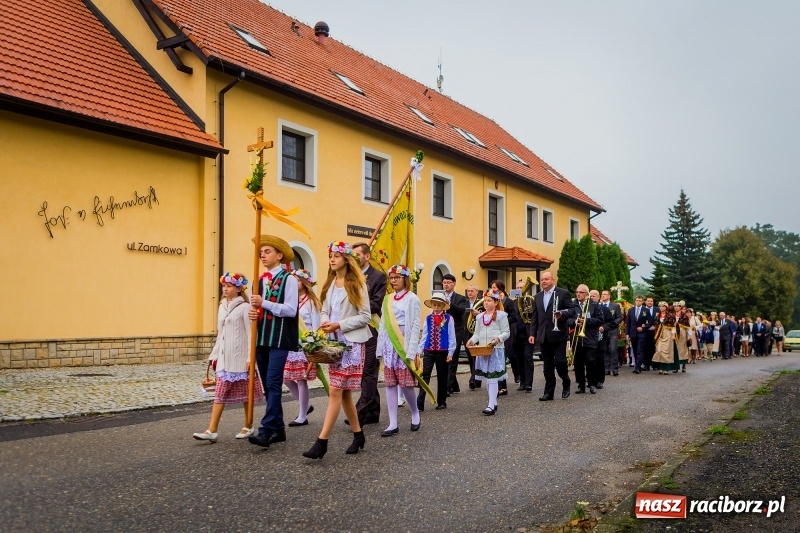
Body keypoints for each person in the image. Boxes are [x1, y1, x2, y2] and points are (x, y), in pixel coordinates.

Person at [302, 242, 371, 459]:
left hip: (351, 345)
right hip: (333, 345)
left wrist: (339, 324)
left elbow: (366, 317)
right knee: (344, 394)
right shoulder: (331, 283)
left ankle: (321, 442)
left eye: (336, 256)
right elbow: (324, 310)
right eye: (330, 256)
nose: (332, 259)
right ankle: (358, 435)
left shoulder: (357, 284)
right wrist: (325, 322)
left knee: (335, 391)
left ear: (347, 260)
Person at [193, 272, 263, 442]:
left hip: (240, 359)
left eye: (229, 286)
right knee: (220, 393)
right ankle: (212, 430)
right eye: (224, 286)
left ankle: (248, 425)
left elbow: (250, 334)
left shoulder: (245, 307)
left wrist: (250, 358)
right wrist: (214, 354)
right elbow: (220, 333)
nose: (225, 289)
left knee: (246, 395)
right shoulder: (222, 306)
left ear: (238, 288)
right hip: (225, 358)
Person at [247, 235, 299, 449]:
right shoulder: (257, 280)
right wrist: (252, 312)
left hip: (279, 337)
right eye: (261, 252)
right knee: (269, 387)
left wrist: (264, 303)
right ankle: (278, 429)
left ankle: (266, 430)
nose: (263, 255)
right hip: (261, 337)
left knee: (273, 382)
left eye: (267, 251)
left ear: (279, 256)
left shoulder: (290, 279)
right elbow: (255, 308)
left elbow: (290, 309)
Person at [376, 265, 422, 436]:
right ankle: (393, 422)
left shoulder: (412, 299)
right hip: (389, 343)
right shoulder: (387, 299)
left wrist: (412, 350)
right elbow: (382, 324)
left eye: (397, 277)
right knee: (390, 383)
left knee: (406, 384)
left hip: (404, 341)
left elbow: (415, 324)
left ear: (405, 279)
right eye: (392, 277)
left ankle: (415, 412)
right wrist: (380, 348)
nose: (393, 280)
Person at [351, 242, 387, 426]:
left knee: (369, 370)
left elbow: (376, 304)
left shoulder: (378, 276)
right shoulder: (350, 276)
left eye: (357, 254)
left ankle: (360, 410)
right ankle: (372, 412)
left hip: (372, 328)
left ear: (367, 256)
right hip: (355, 330)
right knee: (364, 373)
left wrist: (355, 307)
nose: (354, 257)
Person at [527, 271, 575, 401]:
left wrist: (562, 314)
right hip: (544, 336)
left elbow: (572, 311)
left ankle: (566, 381)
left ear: (553, 280)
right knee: (547, 366)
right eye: (542, 279)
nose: (543, 281)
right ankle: (549, 392)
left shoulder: (563, 293)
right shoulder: (537, 296)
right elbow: (535, 317)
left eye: (546, 279)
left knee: (560, 362)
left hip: (559, 334)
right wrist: (532, 333)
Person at [283, 269, 320, 427]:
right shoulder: (291, 301)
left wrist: (313, 345)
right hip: (291, 344)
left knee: (301, 379)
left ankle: (302, 415)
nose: (294, 283)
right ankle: (306, 404)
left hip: (305, 345)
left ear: (305, 283)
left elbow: (316, 326)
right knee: (286, 378)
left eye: (297, 280)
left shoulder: (312, 302)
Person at [466, 289, 510, 415]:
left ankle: (491, 405)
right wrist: (472, 341)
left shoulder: (502, 316)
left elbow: (506, 332)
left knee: (493, 378)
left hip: (495, 350)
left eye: (489, 301)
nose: (486, 303)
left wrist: (498, 339)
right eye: (485, 301)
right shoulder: (480, 317)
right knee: (487, 377)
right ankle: (493, 402)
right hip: (483, 349)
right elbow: (477, 333)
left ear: (496, 302)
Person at [417, 291, 457, 411]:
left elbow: (451, 336)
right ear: (432, 305)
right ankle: (420, 401)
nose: (436, 307)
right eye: (434, 305)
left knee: (442, 376)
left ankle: (442, 401)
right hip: (428, 350)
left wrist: (450, 353)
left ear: (443, 306)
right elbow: (424, 335)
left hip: (442, 351)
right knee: (425, 375)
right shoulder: (428, 318)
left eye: (439, 305)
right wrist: (420, 350)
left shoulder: (449, 318)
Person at [570, 285, 604, 394]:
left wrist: (586, 321)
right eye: (577, 292)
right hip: (577, 338)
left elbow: (600, 319)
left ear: (587, 294)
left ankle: (592, 384)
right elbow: (567, 320)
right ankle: (581, 385)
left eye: (581, 292)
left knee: (590, 361)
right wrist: (574, 322)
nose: (578, 294)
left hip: (590, 337)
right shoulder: (573, 305)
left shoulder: (594, 305)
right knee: (578, 363)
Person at [441, 274, 469, 393]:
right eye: (444, 282)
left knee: (452, 357)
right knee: (444, 357)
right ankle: (454, 385)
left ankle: (447, 388)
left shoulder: (460, 298)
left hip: (456, 330)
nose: (446, 284)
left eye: (448, 282)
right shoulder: (439, 296)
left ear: (454, 283)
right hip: (442, 329)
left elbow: (461, 311)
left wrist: (449, 303)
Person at [490, 280, 519, 395]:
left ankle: (503, 386)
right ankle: (496, 384)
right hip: (493, 333)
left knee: (501, 359)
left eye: (494, 287)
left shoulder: (508, 302)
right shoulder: (491, 301)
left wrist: (502, 319)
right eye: (492, 287)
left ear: (501, 289)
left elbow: (514, 317)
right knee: (495, 359)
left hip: (505, 333)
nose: (492, 289)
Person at [462, 284, 482, 389]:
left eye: (471, 291)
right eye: (468, 291)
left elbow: (485, 315)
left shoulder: (481, 302)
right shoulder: (464, 303)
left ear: (476, 292)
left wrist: (478, 313)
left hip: (477, 332)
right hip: (466, 332)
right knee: (470, 356)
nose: (469, 293)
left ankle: (474, 378)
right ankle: (475, 377)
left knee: (476, 356)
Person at [600, 290, 623, 377]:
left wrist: (613, 323)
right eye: (602, 294)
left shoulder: (615, 306)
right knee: (605, 349)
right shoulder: (599, 306)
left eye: (605, 294)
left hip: (613, 330)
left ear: (609, 296)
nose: (603, 296)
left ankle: (614, 368)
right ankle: (606, 368)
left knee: (613, 349)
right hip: (603, 330)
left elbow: (619, 317)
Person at [625, 295, 651, 374]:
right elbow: (628, 323)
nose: (638, 302)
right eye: (637, 300)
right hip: (633, 333)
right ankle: (637, 364)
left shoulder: (646, 310)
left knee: (640, 350)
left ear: (642, 301)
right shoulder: (631, 310)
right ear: (635, 301)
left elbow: (650, 322)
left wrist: (644, 328)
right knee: (635, 350)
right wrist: (627, 334)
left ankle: (637, 367)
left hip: (642, 333)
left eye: (640, 300)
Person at [651, 301, 678, 374]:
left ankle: (666, 368)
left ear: (666, 307)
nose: (661, 307)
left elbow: (673, 326)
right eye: (660, 306)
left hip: (667, 334)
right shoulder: (657, 315)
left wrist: (673, 335)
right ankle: (660, 367)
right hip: (659, 335)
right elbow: (655, 325)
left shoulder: (670, 316)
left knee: (666, 352)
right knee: (659, 351)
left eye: (663, 306)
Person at [673, 301, 691, 371]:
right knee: (675, 349)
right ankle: (676, 366)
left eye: (677, 306)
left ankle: (684, 365)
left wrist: (689, 336)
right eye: (675, 306)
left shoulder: (684, 316)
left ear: (680, 307)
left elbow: (688, 326)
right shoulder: (672, 315)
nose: (676, 308)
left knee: (683, 349)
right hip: (674, 332)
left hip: (682, 333)